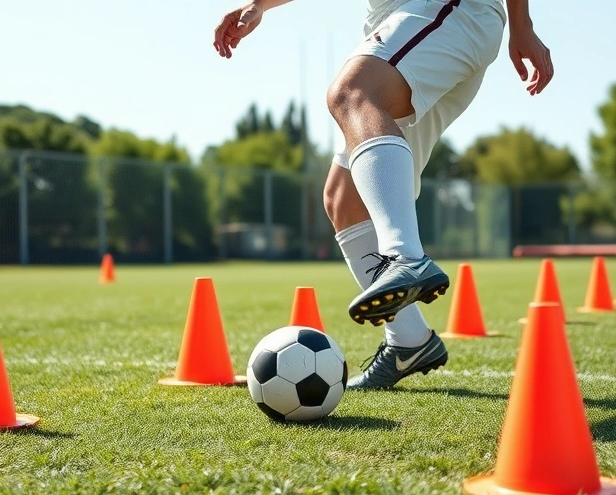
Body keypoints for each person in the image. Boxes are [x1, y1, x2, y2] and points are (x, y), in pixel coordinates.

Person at [214, 0, 553, 390]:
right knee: (344, 198)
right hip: (414, 22)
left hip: (448, 10)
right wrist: (260, 6)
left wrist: (522, 25)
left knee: (351, 92)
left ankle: (406, 257)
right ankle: (410, 342)